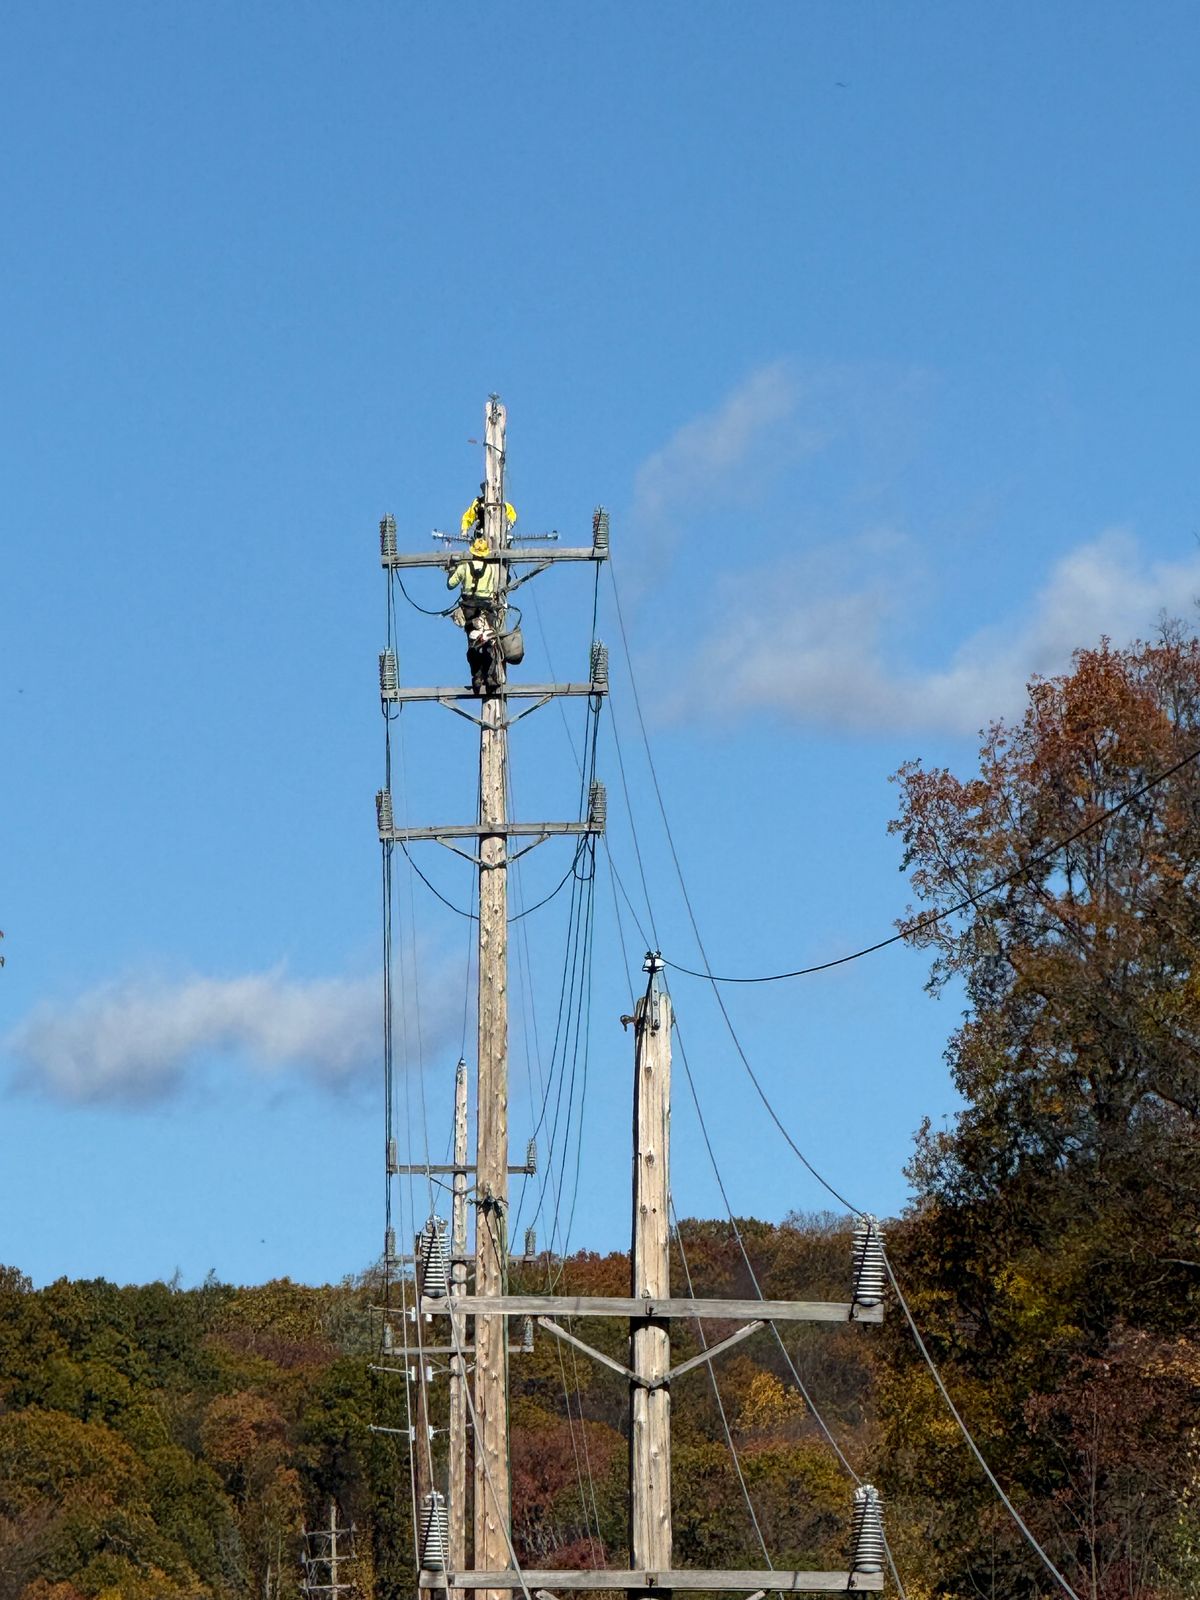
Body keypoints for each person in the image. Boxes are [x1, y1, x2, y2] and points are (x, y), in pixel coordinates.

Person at [447, 535, 500, 694]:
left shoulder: (464, 568)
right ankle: (490, 677)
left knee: (474, 643)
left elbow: (450, 585)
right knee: (490, 643)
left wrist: (451, 569)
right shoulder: (491, 569)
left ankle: (477, 677)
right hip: (487, 610)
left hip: (469, 610)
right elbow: (493, 591)